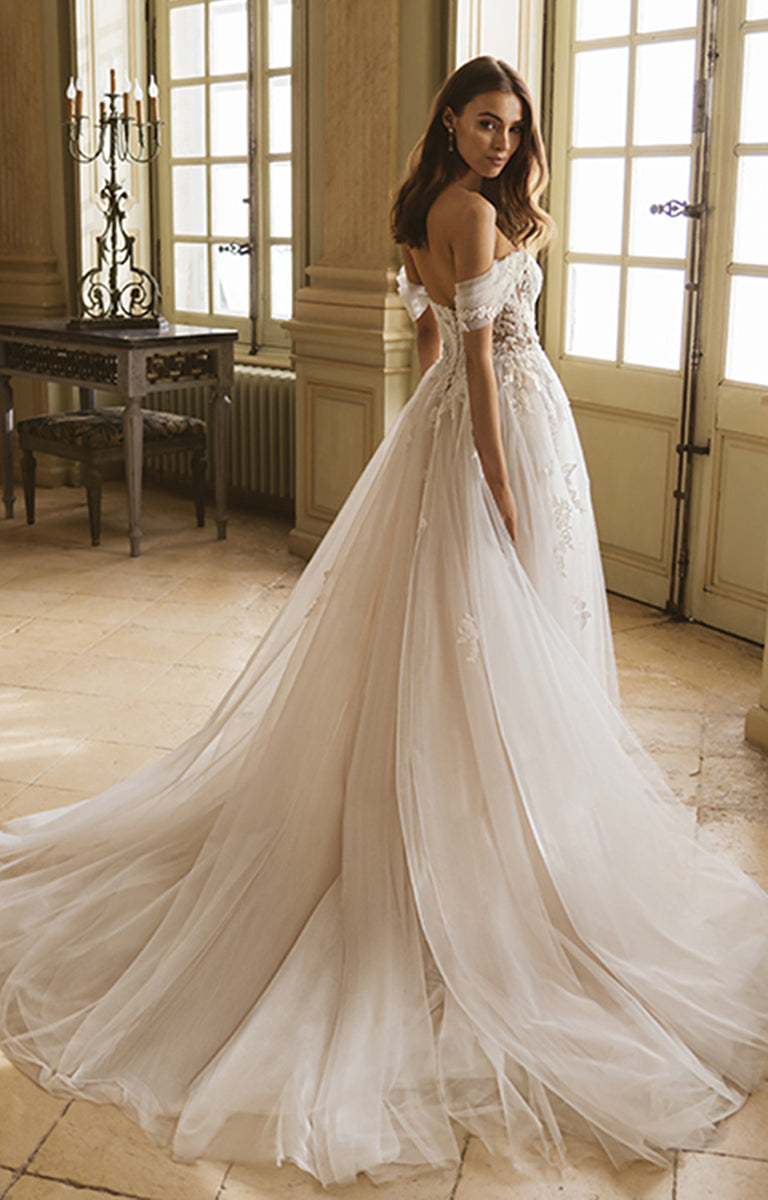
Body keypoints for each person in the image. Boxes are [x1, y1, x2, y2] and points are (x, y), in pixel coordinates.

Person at [0, 56, 766, 1191]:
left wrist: (427, 435)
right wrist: (495, 489)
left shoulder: (449, 209)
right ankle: (467, 848)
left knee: (467, 651)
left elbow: (426, 346)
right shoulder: (463, 210)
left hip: (457, 434)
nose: (501, 141)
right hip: (489, 442)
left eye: (514, 127)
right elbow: (477, 366)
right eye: (485, 122)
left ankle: (484, 812)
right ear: (451, 120)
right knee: (484, 646)